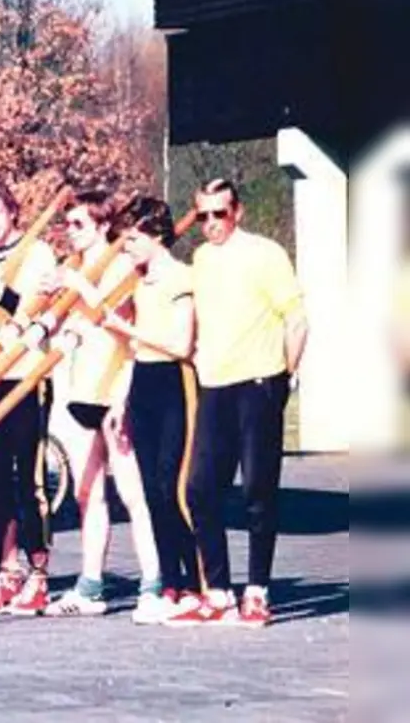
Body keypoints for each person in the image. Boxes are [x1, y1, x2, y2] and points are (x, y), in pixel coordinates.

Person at [167, 179, 307, 627]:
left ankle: (257, 590)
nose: (211, 225)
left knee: (257, 490)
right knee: (200, 488)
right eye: (203, 216)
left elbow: (298, 321)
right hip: (215, 386)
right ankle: (221, 590)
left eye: (219, 214)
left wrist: (284, 376)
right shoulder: (201, 260)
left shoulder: (266, 254)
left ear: (237, 212)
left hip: (259, 383)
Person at [43, 191, 163, 620]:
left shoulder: (120, 267)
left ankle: (154, 582)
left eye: (79, 224)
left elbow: (117, 321)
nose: (71, 233)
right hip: (82, 393)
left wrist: (125, 397)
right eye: (69, 224)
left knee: (132, 491)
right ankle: (91, 584)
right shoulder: (73, 268)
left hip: (115, 390)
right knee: (86, 491)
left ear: (99, 226)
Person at [97, 195, 199, 622]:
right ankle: (169, 582)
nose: (128, 247)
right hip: (143, 383)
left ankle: (196, 582)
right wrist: (122, 400)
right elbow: (136, 351)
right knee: (150, 489)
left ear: (157, 235)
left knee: (170, 484)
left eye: (135, 238)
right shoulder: (139, 282)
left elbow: (180, 344)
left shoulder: (183, 278)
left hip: (174, 381)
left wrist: (127, 328)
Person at [0, 180, 60, 615]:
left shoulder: (37, 253)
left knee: (29, 478)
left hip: (25, 372)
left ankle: (39, 572)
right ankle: (7, 568)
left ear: (13, 212)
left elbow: (35, 309)